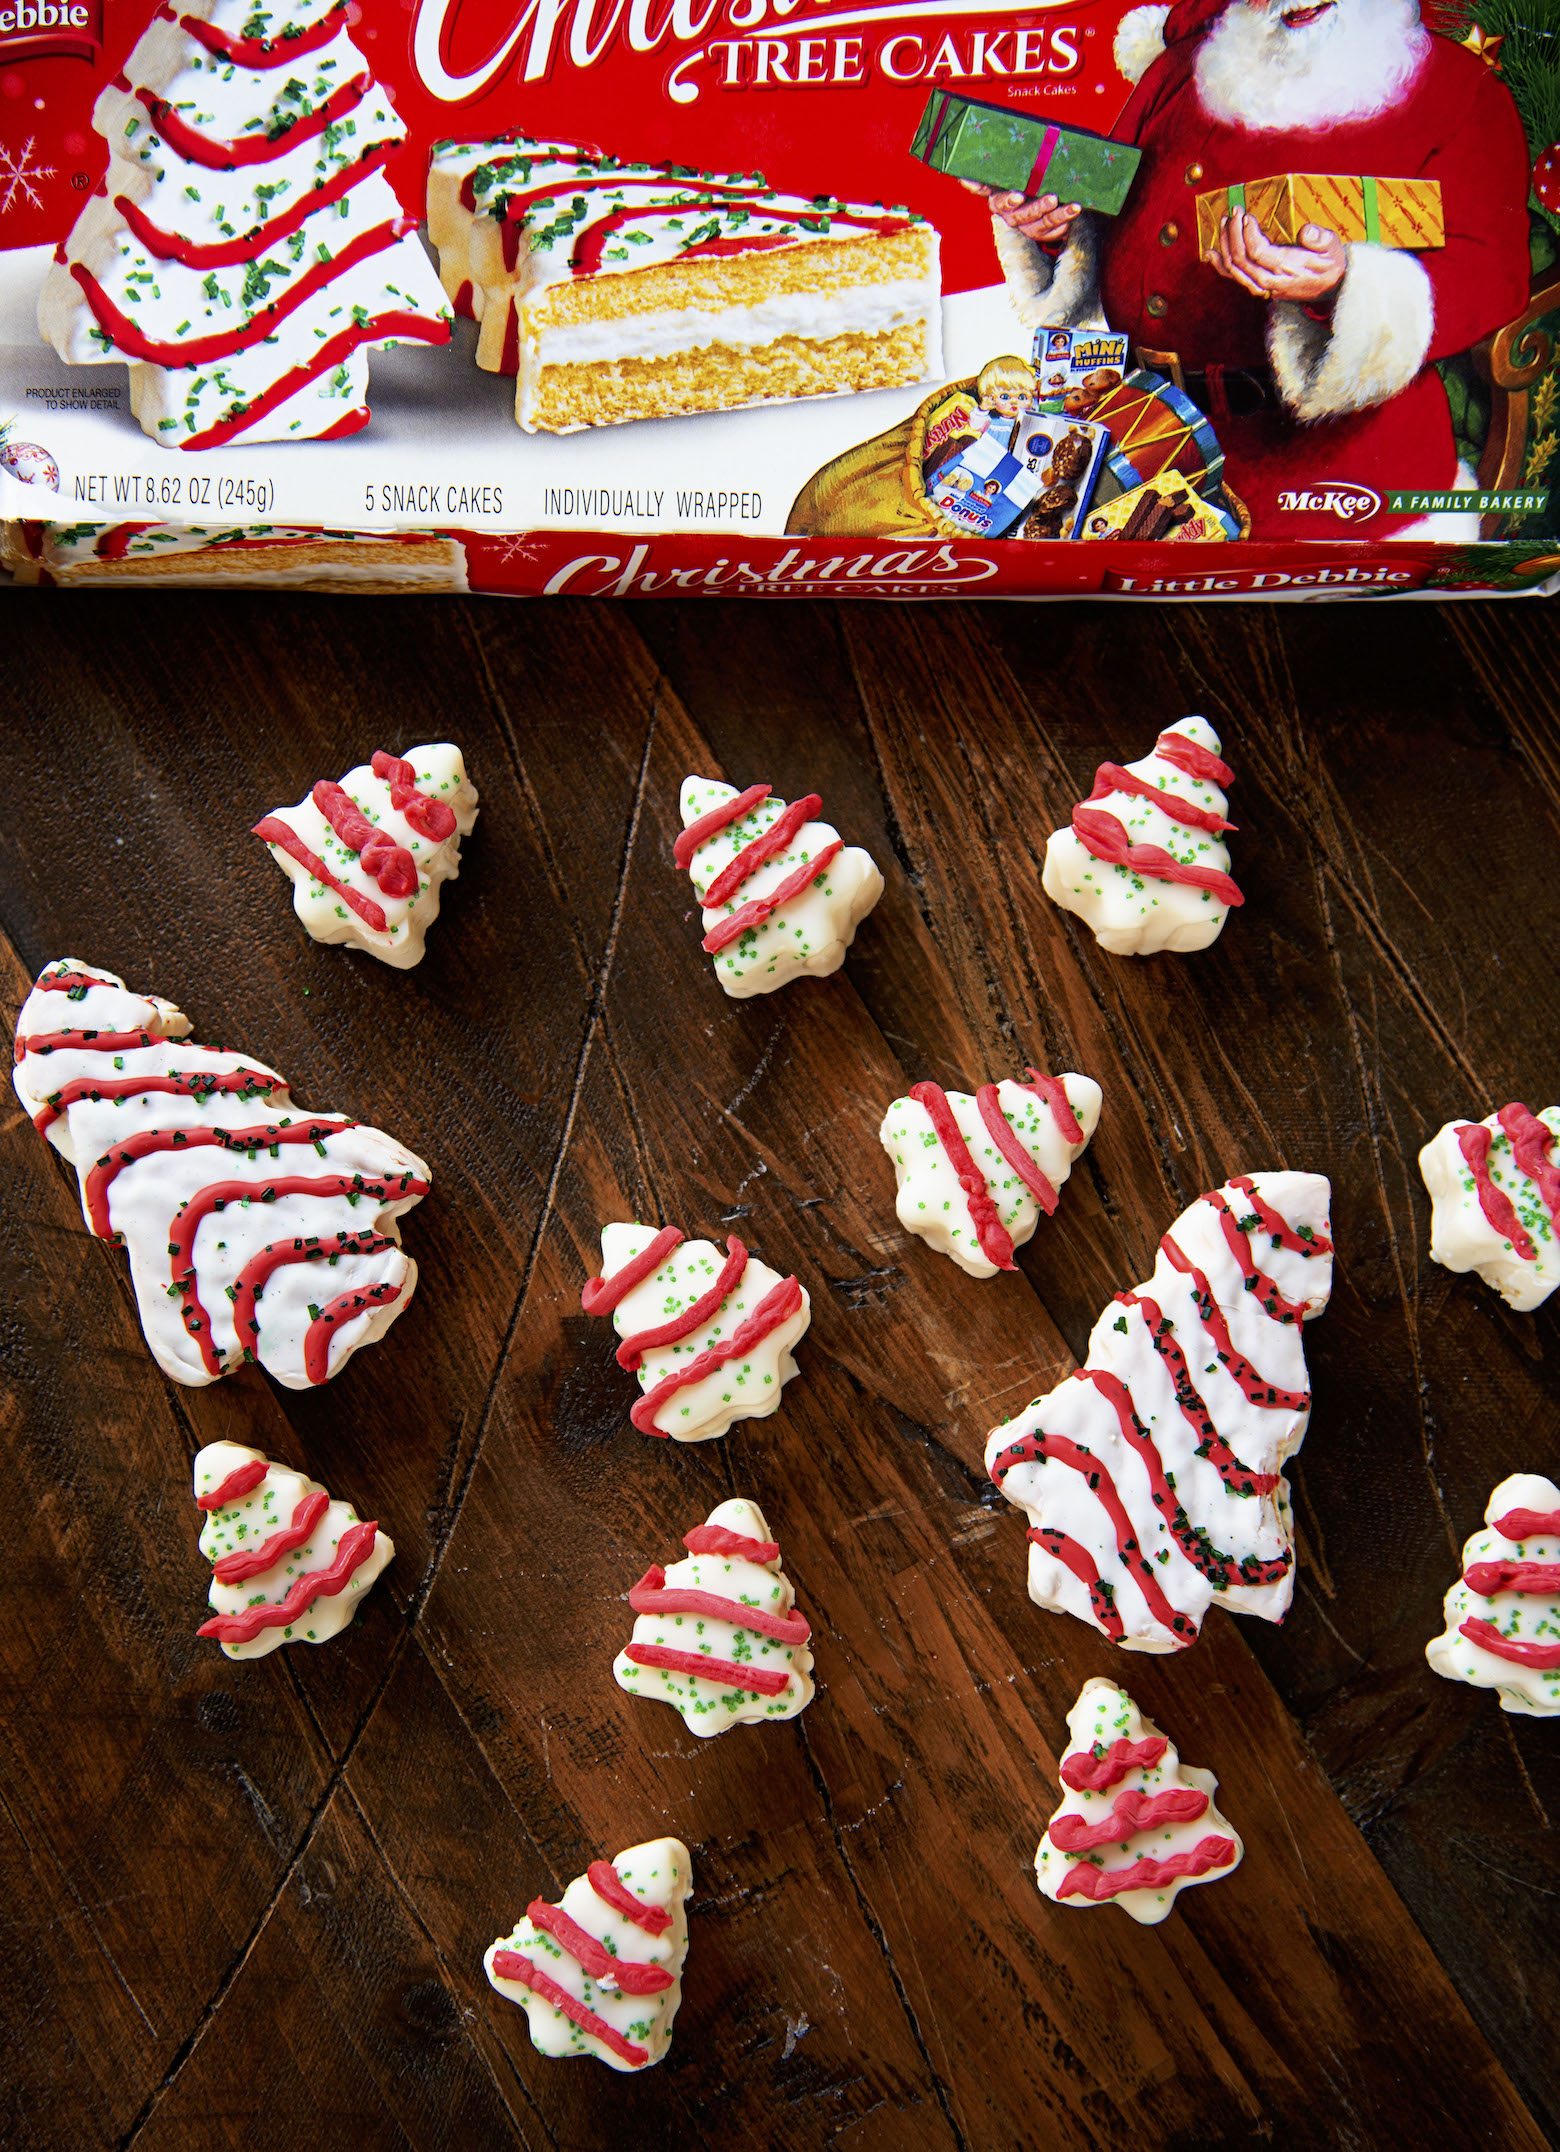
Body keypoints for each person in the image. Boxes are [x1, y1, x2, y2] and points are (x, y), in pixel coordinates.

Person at [966, 0, 1531, 538]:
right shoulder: (1187, 64)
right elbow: (1118, 208)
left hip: (1331, 495)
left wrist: (1340, 288)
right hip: (1143, 454)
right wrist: (1056, 227)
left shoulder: (1458, 90)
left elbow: (1494, 269)